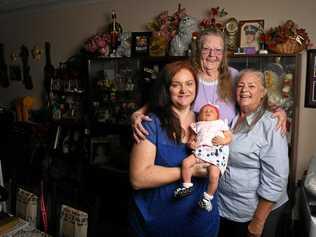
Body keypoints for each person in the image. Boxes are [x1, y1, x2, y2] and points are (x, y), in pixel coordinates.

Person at [131, 28, 286, 143]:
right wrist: (140, 111)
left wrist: (277, 110)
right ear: (198, 51)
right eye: (206, 49)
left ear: (224, 54)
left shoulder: (234, 76)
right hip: (189, 151)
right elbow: (165, 97)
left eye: (218, 50)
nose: (212, 55)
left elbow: (253, 96)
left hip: (225, 157)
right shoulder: (187, 75)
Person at [128, 60, 219, 237]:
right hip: (158, 225)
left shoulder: (206, 120)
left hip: (200, 224)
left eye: (189, 84)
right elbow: (138, 178)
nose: (184, 90)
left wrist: (279, 111)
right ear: (166, 89)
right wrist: (190, 171)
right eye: (176, 85)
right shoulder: (150, 122)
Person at [218, 69, 289, 237]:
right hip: (226, 208)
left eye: (252, 86)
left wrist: (258, 221)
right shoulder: (231, 118)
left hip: (256, 212)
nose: (244, 90)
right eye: (241, 85)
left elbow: (276, 178)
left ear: (263, 92)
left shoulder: (271, 124)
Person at [174, 103, 232, 213]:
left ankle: (207, 198)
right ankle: (187, 185)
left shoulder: (220, 123)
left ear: (217, 116)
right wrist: (191, 144)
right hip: (201, 152)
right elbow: (192, 139)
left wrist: (224, 140)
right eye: (204, 111)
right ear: (199, 116)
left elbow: (229, 136)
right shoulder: (198, 125)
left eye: (211, 111)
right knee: (186, 163)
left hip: (215, 154)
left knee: (214, 175)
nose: (208, 112)